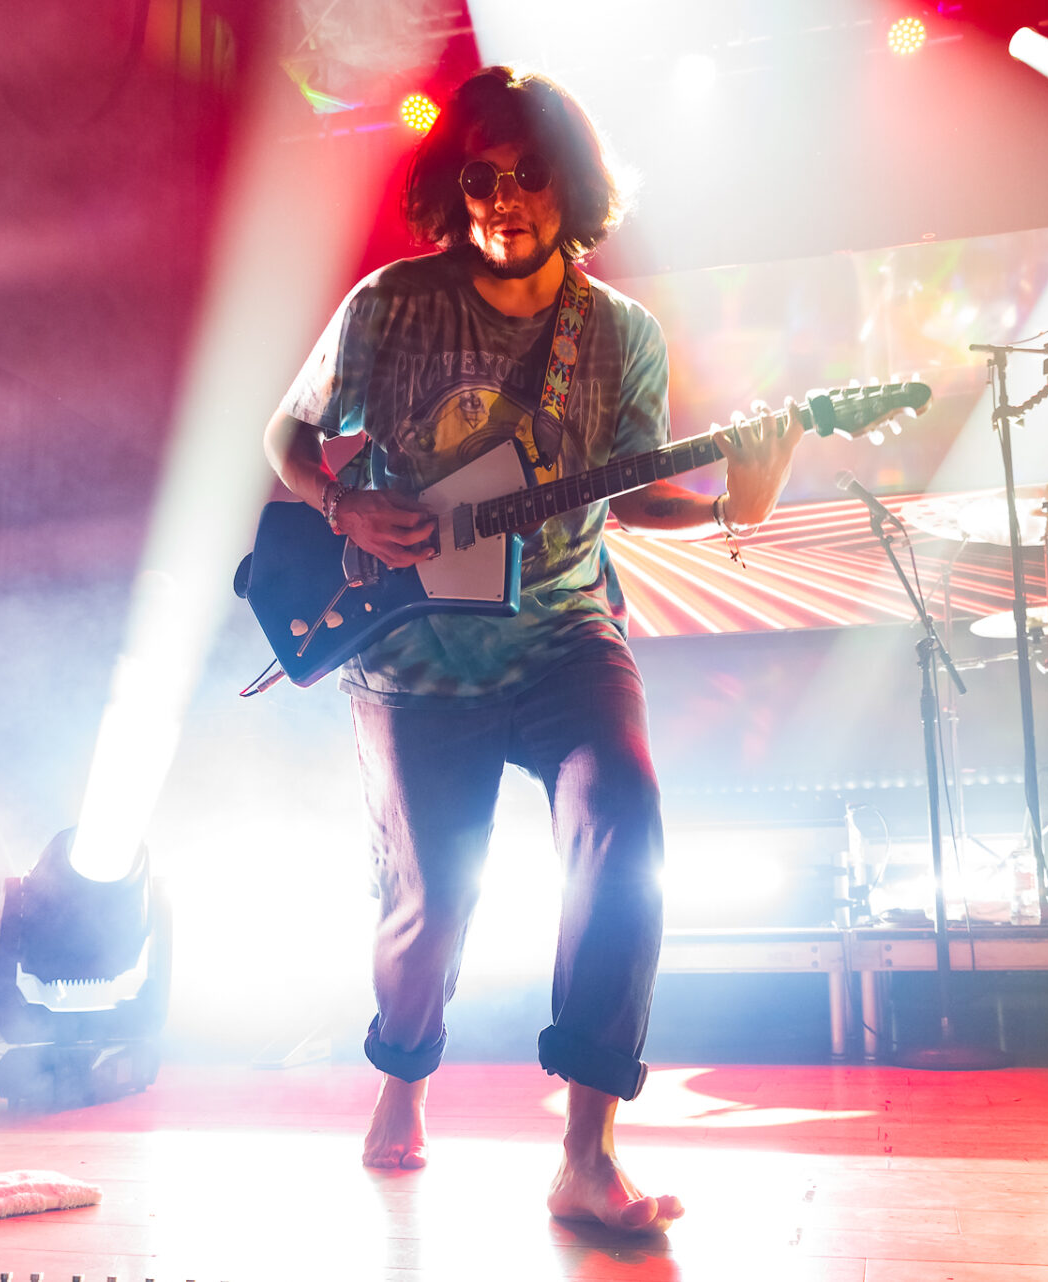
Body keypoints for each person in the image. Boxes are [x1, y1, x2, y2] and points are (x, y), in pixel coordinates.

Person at [262, 67, 802, 1232]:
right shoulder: (391, 305)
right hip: (415, 653)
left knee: (625, 829)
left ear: (575, 185)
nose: (502, 199)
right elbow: (286, 437)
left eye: (528, 174)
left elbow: (629, 492)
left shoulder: (621, 335)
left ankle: (587, 1153)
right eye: (480, 178)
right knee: (428, 902)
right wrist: (341, 503)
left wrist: (729, 505)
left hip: (565, 631)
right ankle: (404, 1068)